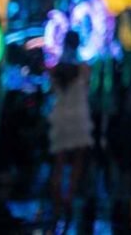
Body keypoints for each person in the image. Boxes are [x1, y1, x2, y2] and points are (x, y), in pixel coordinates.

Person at [47, 30, 93, 222]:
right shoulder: (84, 68)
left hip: (61, 115)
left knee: (60, 159)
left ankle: (57, 200)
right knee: (77, 159)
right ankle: (69, 196)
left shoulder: (54, 68)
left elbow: (51, 90)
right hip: (78, 115)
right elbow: (87, 87)